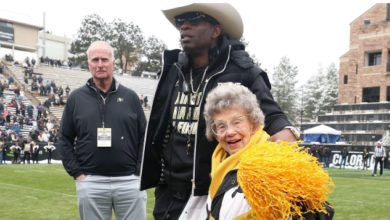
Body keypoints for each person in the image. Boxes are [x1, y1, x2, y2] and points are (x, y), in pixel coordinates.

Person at [139, 4, 299, 219]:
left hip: (214, 192)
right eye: (181, 22)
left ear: (215, 31)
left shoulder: (244, 72)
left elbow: (271, 114)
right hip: (170, 195)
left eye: (194, 20)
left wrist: (287, 130)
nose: (184, 27)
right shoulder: (172, 72)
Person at [181, 83, 333, 220]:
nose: (230, 132)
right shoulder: (219, 163)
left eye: (237, 122)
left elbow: (317, 211)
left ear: (253, 124)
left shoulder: (273, 162)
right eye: (221, 126)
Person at [59, 41, 147, 220]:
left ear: (113, 64)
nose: (100, 64)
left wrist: (138, 172)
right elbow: (64, 139)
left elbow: (144, 137)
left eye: (105, 59)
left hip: (129, 180)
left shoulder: (131, 97)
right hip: (90, 181)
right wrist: (77, 174)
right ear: (89, 64)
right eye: (95, 60)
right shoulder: (75, 98)